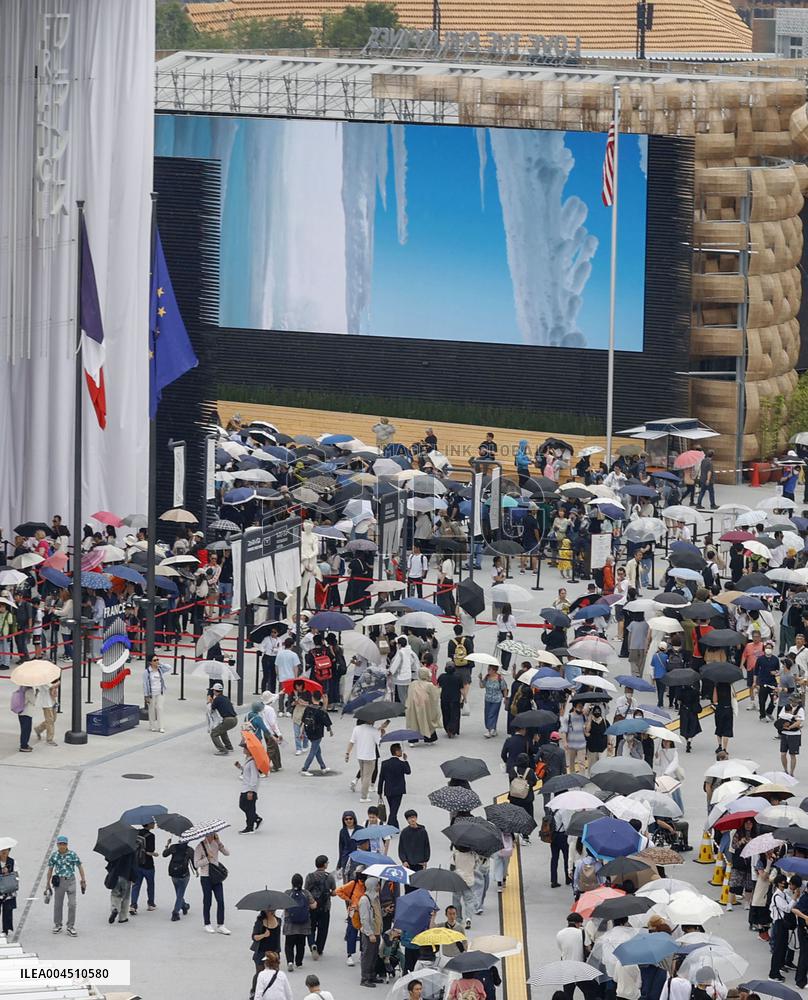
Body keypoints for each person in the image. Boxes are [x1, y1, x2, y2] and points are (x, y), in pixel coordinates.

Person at [46, 834, 86, 936]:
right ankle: (58, 924)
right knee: (58, 904)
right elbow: (50, 869)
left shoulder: (72, 855)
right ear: (57, 845)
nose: (62, 846)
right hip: (59, 881)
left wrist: (83, 880)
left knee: (72, 904)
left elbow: (79, 866)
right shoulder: (54, 856)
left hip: (71, 880)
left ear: (67, 845)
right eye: (60, 844)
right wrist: (47, 884)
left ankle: (70, 926)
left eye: (64, 844)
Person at [194, 831, 230, 934]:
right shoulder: (200, 847)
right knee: (207, 901)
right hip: (206, 877)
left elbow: (227, 853)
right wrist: (207, 859)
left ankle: (221, 924)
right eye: (209, 834)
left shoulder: (215, 843)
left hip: (216, 876)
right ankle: (207, 923)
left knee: (221, 900)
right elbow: (196, 864)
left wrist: (219, 842)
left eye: (213, 834)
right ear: (205, 835)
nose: (211, 836)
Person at [346, 719, 385, 802]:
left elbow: (352, 742)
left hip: (360, 755)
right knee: (367, 776)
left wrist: (347, 753)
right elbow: (379, 742)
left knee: (363, 775)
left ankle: (365, 792)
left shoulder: (356, 728)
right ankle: (364, 796)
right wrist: (382, 733)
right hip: (370, 756)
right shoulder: (373, 730)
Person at [305, 855, 336, 960]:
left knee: (311, 927)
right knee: (323, 929)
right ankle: (319, 948)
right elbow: (334, 891)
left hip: (312, 906)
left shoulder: (310, 876)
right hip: (325, 907)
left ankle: (312, 944)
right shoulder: (330, 877)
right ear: (325, 865)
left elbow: (306, 891)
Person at [284, 873, 316, 972]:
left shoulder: (287, 893)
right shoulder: (306, 893)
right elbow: (313, 906)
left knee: (289, 944)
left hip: (290, 925)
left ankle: (290, 961)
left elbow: (283, 907)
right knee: (301, 944)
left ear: (292, 883)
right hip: (303, 924)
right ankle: (299, 962)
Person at [377, 743, 411, 828]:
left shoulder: (385, 763)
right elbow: (408, 771)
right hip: (398, 791)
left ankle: (396, 827)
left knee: (392, 809)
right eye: (400, 750)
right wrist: (405, 760)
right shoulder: (401, 764)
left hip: (388, 790)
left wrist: (379, 792)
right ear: (396, 751)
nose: (401, 752)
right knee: (393, 811)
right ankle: (388, 828)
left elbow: (381, 778)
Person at [358, 875, 383, 988]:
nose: (379, 887)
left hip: (377, 932)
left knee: (374, 955)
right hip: (370, 934)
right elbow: (364, 919)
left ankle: (372, 975)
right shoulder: (365, 900)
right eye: (377, 885)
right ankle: (365, 978)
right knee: (367, 956)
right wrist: (370, 933)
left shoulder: (375, 898)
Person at [405, 667, 441, 744]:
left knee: (414, 723)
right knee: (426, 721)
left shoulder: (413, 684)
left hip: (413, 706)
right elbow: (435, 696)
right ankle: (429, 739)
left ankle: (412, 740)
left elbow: (409, 695)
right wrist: (438, 689)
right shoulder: (429, 685)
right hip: (425, 707)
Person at [301, 692, 334, 776]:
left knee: (317, 750)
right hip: (318, 733)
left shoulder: (308, 708)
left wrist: (302, 731)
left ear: (312, 698)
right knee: (313, 750)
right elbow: (326, 721)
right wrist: (330, 730)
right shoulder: (321, 710)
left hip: (309, 731)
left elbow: (303, 720)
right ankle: (305, 768)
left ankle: (323, 767)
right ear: (320, 699)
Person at [251, 910, 281, 998]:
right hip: (261, 952)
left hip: (274, 952)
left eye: (273, 910)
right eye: (269, 910)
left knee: (275, 974)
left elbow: (277, 938)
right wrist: (264, 935)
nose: (271, 911)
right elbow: (254, 937)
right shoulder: (259, 922)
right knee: (259, 973)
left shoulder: (278, 920)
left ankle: (272, 993)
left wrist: (278, 952)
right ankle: (254, 991)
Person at [162, 836, 193, 922]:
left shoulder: (173, 847)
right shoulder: (189, 850)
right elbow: (194, 863)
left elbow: (164, 854)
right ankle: (175, 912)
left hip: (174, 874)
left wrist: (167, 845)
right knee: (180, 894)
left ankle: (184, 906)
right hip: (184, 874)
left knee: (179, 893)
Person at [130, 822, 158, 914]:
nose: (154, 824)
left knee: (136, 885)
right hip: (148, 864)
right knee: (150, 885)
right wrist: (154, 854)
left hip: (137, 863)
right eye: (152, 823)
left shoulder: (135, 833)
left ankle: (133, 905)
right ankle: (151, 904)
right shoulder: (151, 836)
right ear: (148, 824)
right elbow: (151, 850)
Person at [235, 742, 263, 833]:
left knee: (249, 808)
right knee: (243, 806)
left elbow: (254, 777)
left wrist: (251, 791)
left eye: (245, 748)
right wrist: (240, 767)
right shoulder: (248, 760)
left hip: (249, 789)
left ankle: (250, 827)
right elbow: (247, 772)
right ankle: (256, 819)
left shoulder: (252, 762)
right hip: (245, 787)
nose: (243, 749)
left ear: (249, 750)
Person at [106, 846, 136, 926]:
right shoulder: (131, 850)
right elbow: (134, 865)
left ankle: (114, 908)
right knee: (125, 897)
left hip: (115, 875)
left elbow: (108, 859)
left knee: (115, 894)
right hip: (126, 875)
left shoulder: (115, 847)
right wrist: (134, 878)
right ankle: (122, 917)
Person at [479, 662, 509, 738]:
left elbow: (504, 688)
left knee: (492, 714)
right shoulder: (487, 677)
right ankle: (493, 729)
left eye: (489, 669)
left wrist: (505, 698)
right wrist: (480, 679)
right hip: (488, 699)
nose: (488, 670)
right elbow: (482, 686)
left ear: (494, 670)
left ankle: (490, 730)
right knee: (487, 715)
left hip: (497, 699)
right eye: (488, 669)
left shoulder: (500, 678)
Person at [208, 682, 238, 754]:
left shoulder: (217, 699)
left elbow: (211, 710)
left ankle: (222, 750)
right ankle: (229, 746)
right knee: (222, 731)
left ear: (215, 691)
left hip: (228, 720)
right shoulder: (226, 698)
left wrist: (210, 702)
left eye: (213, 691)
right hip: (235, 719)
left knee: (214, 733)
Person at [778, 695, 804, 776]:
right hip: (785, 734)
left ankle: (792, 772)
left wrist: (789, 727)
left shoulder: (800, 709)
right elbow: (781, 715)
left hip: (794, 735)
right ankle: (785, 770)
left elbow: (798, 722)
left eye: (795, 701)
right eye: (792, 701)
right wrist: (792, 716)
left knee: (792, 755)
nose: (793, 702)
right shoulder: (786, 707)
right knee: (783, 754)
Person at [143, 655, 169, 733]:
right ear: (150, 662)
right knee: (151, 709)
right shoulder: (147, 672)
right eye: (154, 660)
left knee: (160, 708)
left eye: (157, 659)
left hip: (160, 692)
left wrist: (160, 664)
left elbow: (168, 668)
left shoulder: (160, 669)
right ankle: (152, 725)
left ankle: (161, 726)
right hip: (151, 693)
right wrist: (146, 695)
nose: (156, 661)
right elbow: (144, 684)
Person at [438, 662, 464, 737]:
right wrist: (464, 698)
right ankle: (452, 730)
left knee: (446, 714)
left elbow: (438, 686)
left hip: (444, 698)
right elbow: (461, 689)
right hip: (455, 698)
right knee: (454, 715)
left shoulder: (442, 676)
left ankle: (447, 728)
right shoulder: (458, 677)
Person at [33, 676, 59, 746]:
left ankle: (38, 729)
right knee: (50, 721)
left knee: (53, 719)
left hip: (52, 701)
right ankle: (49, 739)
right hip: (46, 703)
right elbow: (51, 686)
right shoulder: (42, 680)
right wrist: (58, 683)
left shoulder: (49, 678)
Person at [0, 845, 17, 936]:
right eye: (2, 850)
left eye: (6, 850)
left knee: (7, 910)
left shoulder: (12, 861)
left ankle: (5, 930)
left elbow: (17, 874)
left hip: (8, 890)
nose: (4, 852)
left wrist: (9, 872)